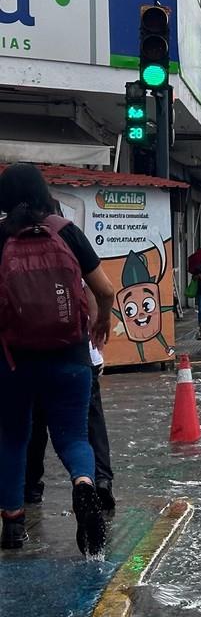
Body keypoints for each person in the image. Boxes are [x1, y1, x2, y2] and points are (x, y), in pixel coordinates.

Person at [0, 163, 113, 555]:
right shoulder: (66, 231)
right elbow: (106, 288)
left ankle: (13, 524)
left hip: (14, 360)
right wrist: (102, 323)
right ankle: (84, 484)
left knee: (14, 436)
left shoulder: (1, 237)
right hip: (69, 354)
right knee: (74, 436)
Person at [26, 283, 115, 513]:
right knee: (87, 426)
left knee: (32, 425)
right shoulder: (73, 245)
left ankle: (28, 491)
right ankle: (98, 481)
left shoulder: (9, 247)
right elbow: (101, 291)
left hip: (28, 356)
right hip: (77, 354)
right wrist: (97, 340)